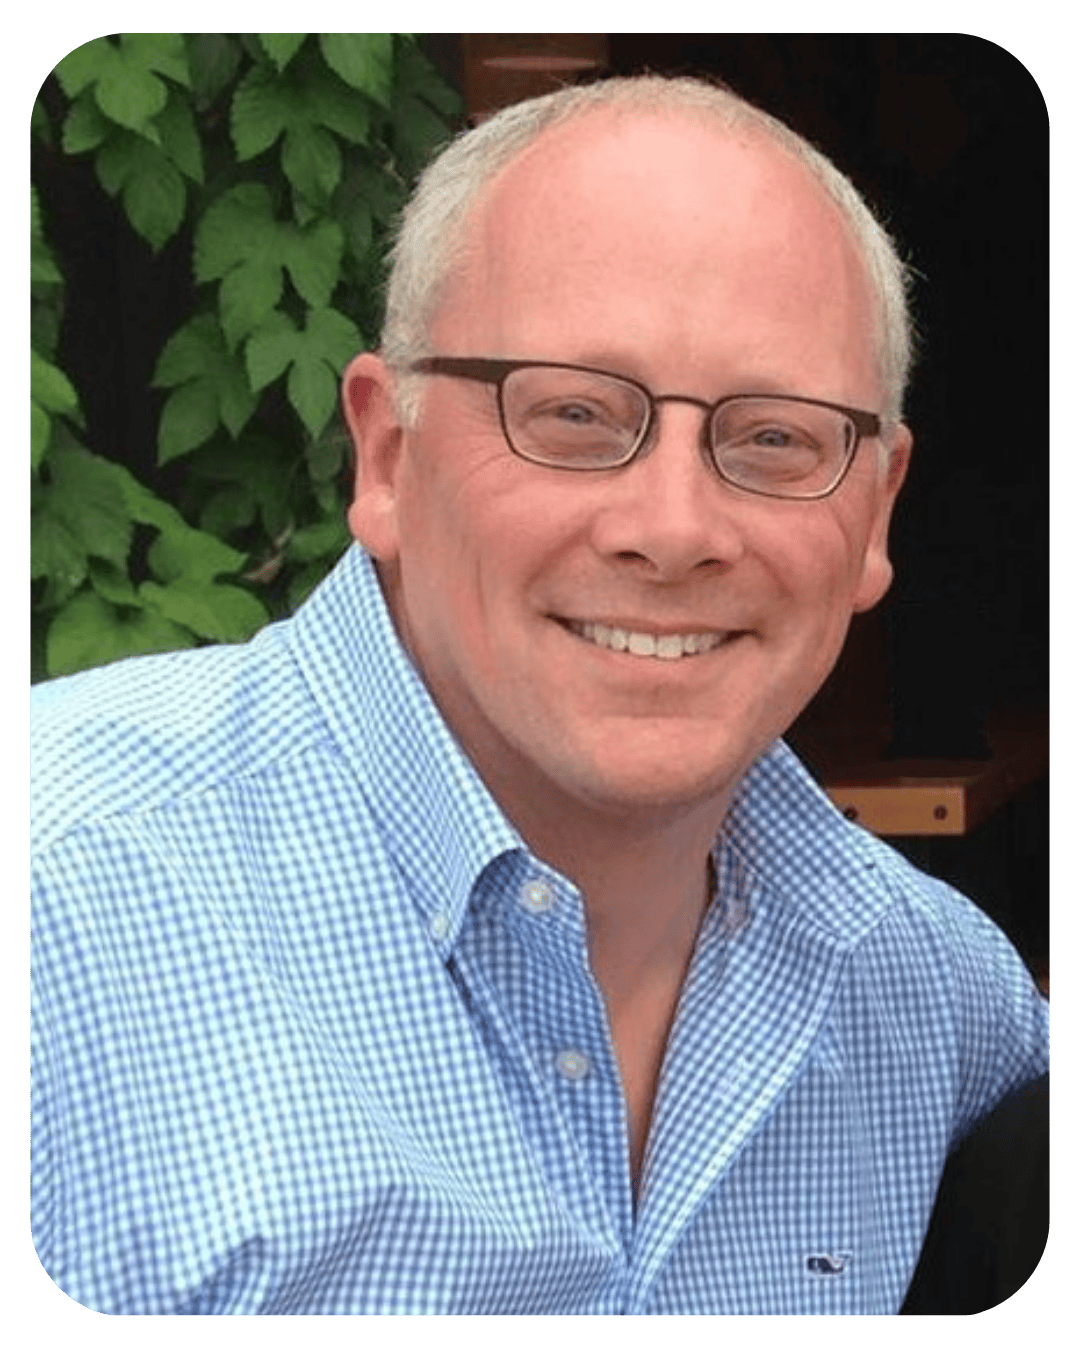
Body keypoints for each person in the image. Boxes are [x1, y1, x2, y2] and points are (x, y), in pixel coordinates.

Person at [31, 75, 1048, 1316]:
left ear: (877, 508)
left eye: (776, 438)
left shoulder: (937, 1002)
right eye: (572, 414)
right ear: (388, 454)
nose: (675, 530)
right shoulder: (57, 912)